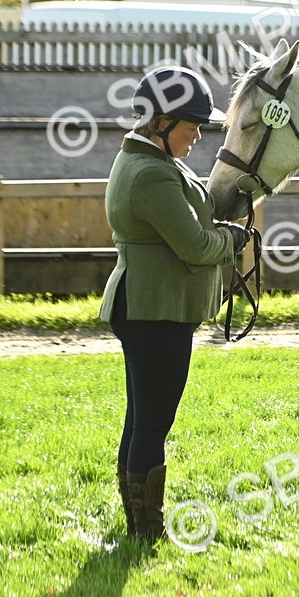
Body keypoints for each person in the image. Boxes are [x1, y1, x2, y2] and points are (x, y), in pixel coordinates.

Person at [99, 65, 250, 541]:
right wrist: (233, 240)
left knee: (142, 420)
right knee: (152, 424)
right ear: (161, 123)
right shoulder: (151, 174)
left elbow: (192, 217)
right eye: (192, 127)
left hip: (151, 308)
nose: (197, 137)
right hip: (155, 311)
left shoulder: (152, 161)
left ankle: (138, 524)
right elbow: (196, 247)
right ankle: (148, 530)